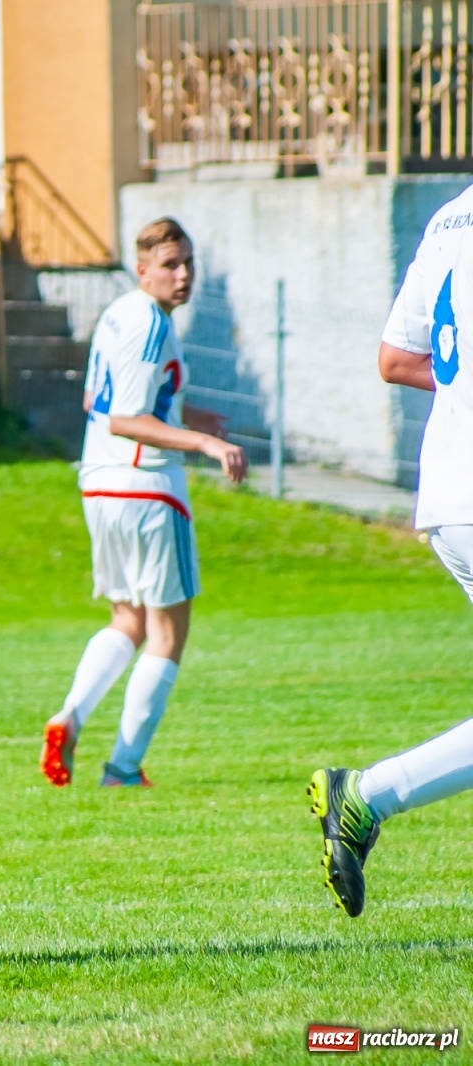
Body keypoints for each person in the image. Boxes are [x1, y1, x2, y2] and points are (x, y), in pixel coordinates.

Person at [309, 185, 473, 917]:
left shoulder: (450, 215)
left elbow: (396, 357)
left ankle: (366, 797)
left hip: (448, 488)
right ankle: (365, 797)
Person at [39, 217, 245, 789]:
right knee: (166, 632)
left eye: (188, 263)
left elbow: (96, 398)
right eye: (170, 265)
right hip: (148, 487)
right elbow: (127, 417)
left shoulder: (116, 314)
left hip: (98, 484)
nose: (183, 275)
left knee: (126, 619)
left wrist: (187, 415)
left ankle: (69, 717)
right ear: (143, 269)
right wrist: (204, 441)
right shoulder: (151, 323)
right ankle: (123, 769)